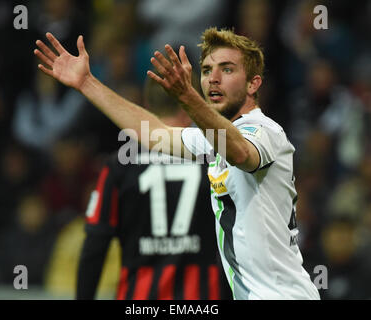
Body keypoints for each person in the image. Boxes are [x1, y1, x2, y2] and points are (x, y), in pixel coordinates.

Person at [34, 27, 320, 299]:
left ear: (253, 83)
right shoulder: (213, 141)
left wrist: (188, 98)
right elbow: (154, 135)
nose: (213, 79)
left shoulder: (265, 131)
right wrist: (87, 83)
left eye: (227, 69)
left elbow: (241, 153)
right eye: (207, 70)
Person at [75, 74, 230, 300]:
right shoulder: (216, 159)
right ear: (193, 105)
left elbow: (95, 246)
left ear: (146, 106)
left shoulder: (119, 165)